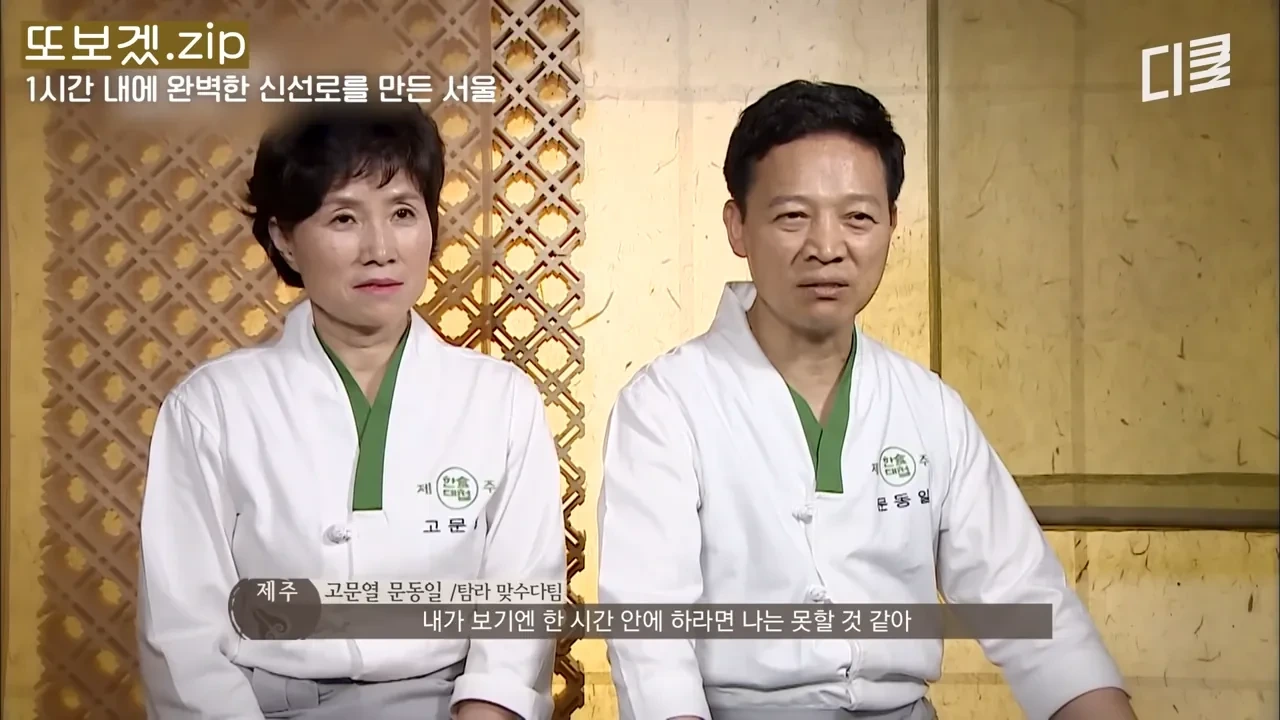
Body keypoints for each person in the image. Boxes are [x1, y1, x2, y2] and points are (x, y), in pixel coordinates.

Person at [596, 80, 1136, 720]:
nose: (827, 248)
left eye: (857, 218)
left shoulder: (928, 407)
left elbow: (1030, 609)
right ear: (737, 226)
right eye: (793, 216)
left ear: (891, 225)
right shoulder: (666, 404)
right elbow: (652, 640)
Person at [136, 99, 565, 720]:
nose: (380, 249)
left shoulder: (501, 400)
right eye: (343, 218)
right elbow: (182, 633)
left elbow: (521, 604)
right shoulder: (212, 407)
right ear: (284, 238)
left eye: (402, 213)